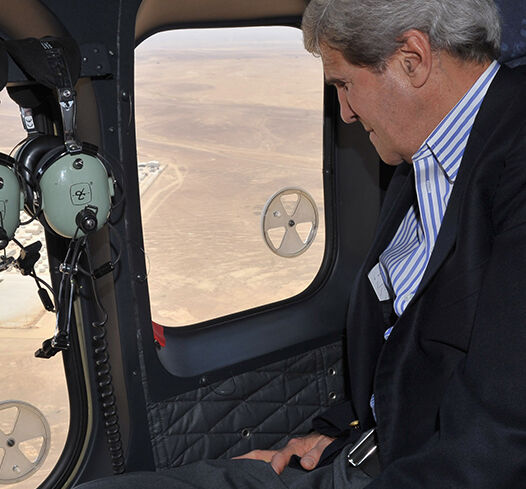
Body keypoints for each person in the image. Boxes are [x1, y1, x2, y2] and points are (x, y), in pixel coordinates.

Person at [77, 0, 526, 487]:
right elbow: (406, 341)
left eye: (344, 85)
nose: (345, 113)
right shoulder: (422, 155)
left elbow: (498, 443)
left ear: (411, 60)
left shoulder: (512, 165)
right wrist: (346, 431)